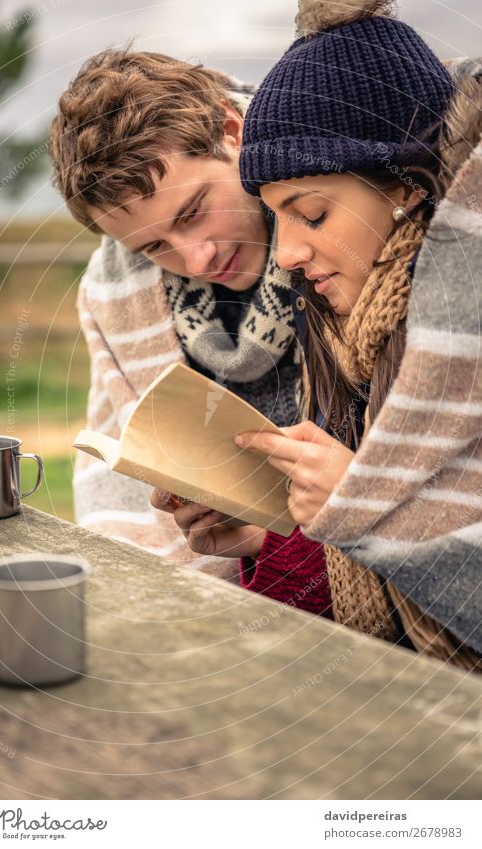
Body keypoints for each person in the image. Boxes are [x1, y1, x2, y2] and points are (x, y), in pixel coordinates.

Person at [155, 0, 482, 668]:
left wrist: (363, 505)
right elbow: (384, 599)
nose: (288, 255)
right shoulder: (351, 336)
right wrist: (267, 540)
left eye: (311, 213)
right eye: (279, 221)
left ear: (406, 185)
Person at [49, 49, 304, 576]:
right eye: (154, 248)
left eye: (192, 212)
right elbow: (117, 477)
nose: (197, 259)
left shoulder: (342, 209)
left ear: (232, 133)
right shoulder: (110, 292)